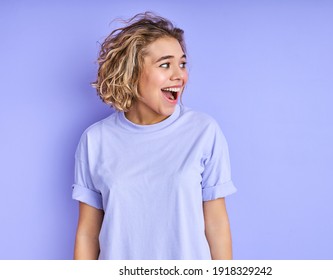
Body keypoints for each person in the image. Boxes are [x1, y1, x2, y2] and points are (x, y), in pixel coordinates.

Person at [72, 12, 237, 260]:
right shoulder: (95, 140)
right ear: (132, 72)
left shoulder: (203, 131)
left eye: (182, 63)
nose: (179, 75)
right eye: (165, 64)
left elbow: (216, 223)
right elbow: (88, 232)